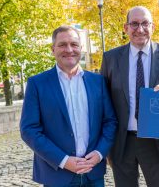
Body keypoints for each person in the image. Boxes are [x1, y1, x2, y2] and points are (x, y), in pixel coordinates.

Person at [100, 6, 159, 187]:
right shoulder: (111, 57)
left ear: (153, 27)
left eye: (145, 23)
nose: (139, 29)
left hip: (157, 141)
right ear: (126, 28)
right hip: (122, 142)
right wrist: (104, 145)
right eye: (134, 24)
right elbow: (102, 101)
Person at [20, 26, 117, 187]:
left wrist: (100, 153)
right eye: (62, 45)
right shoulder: (37, 84)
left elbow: (110, 121)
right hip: (57, 174)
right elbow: (29, 129)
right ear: (53, 49)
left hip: (93, 173)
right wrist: (64, 161)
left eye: (74, 44)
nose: (69, 49)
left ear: (81, 48)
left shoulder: (98, 81)